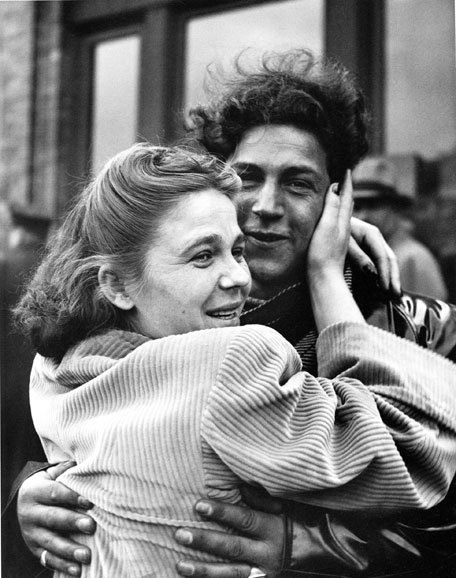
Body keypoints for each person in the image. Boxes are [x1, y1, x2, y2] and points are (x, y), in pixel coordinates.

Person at [11, 50, 456, 578]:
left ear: (339, 198)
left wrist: (312, 548)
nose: (266, 204)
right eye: (247, 177)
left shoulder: (428, 329)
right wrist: (29, 501)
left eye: (298, 183)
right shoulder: (137, 318)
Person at [353, 156, 448, 300]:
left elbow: (433, 312)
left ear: (395, 208)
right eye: (357, 207)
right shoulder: (363, 258)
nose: (363, 216)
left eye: (373, 205)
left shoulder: (414, 258)